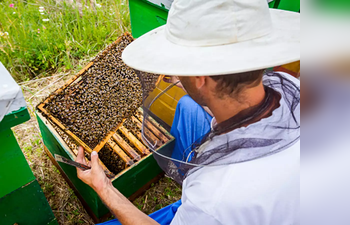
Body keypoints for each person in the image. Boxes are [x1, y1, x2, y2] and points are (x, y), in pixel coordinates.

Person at [75, 0, 300, 224]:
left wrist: (103, 187)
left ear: (200, 78)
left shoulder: (213, 200)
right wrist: (192, 85)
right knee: (187, 105)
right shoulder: (293, 87)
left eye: (182, 68)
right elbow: (234, 103)